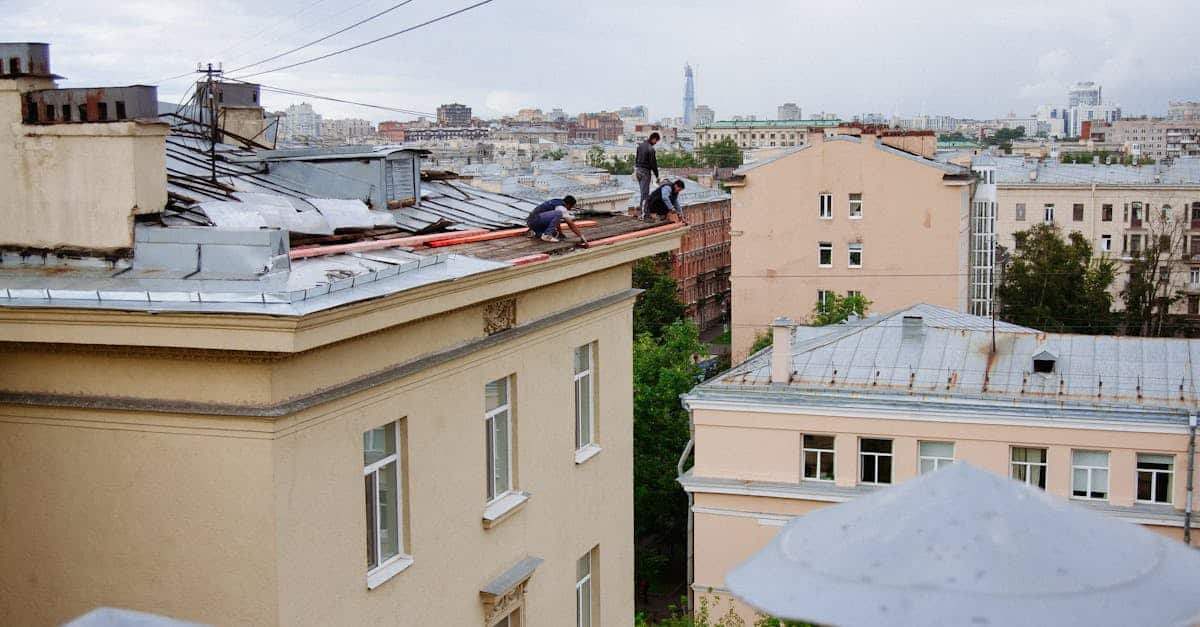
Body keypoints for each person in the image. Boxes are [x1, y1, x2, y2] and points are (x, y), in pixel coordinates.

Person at [635, 132, 661, 218]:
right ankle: (644, 213)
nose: (656, 143)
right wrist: (657, 176)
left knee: (642, 192)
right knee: (645, 193)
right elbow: (653, 164)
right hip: (645, 172)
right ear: (654, 139)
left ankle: (643, 212)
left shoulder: (640, 146)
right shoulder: (651, 149)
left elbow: (636, 159)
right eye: (656, 141)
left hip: (638, 170)